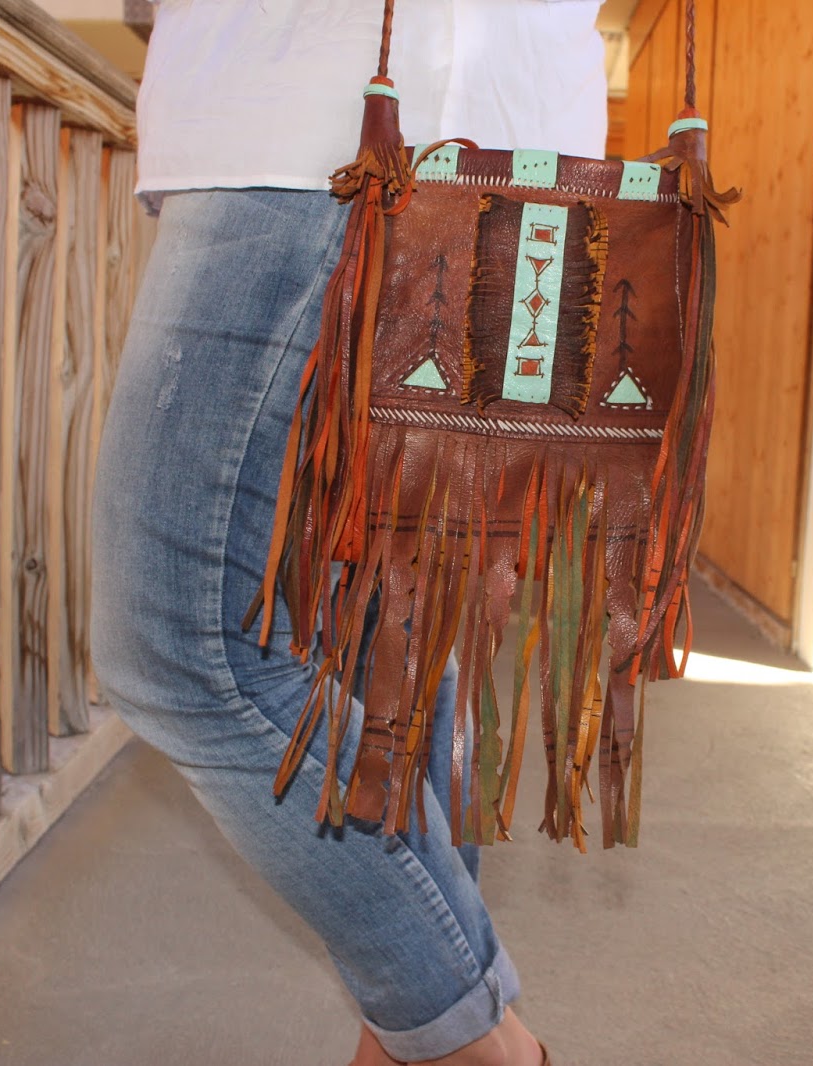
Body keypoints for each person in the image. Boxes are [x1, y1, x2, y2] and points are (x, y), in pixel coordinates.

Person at [89, 3, 608, 1063]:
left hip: (316, 129)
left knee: (178, 644)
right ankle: (416, 1038)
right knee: (399, 642)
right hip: (515, 143)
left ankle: (471, 1046)